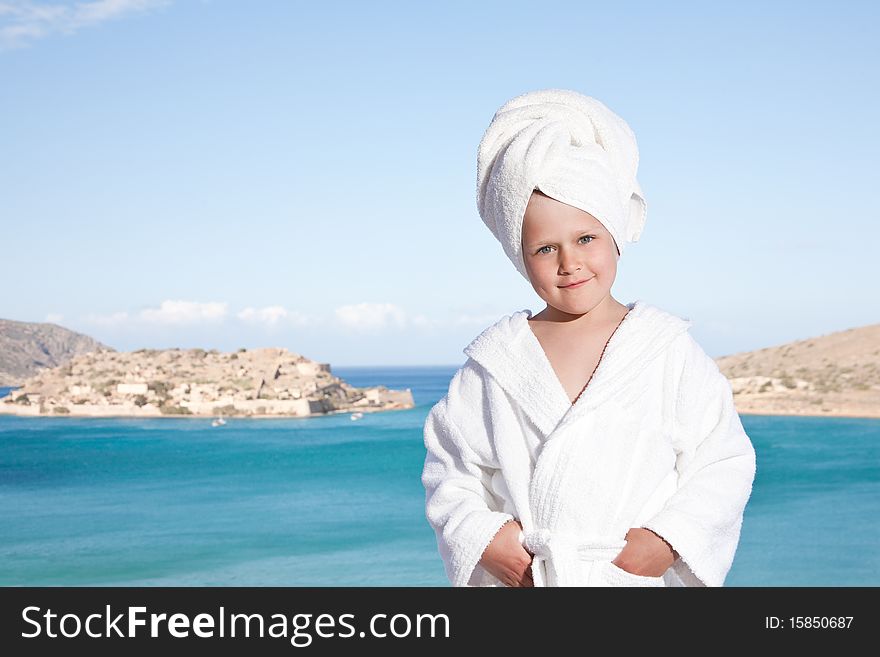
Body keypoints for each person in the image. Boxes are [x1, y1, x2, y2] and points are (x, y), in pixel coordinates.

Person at [421, 89, 757, 587]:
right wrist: (483, 538)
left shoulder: (665, 349)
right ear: (520, 257)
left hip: (629, 578)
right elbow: (451, 469)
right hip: (534, 578)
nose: (569, 262)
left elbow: (722, 459)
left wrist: (669, 540)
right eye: (544, 248)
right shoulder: (495, 362)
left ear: (615, 236)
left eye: (585, 239)